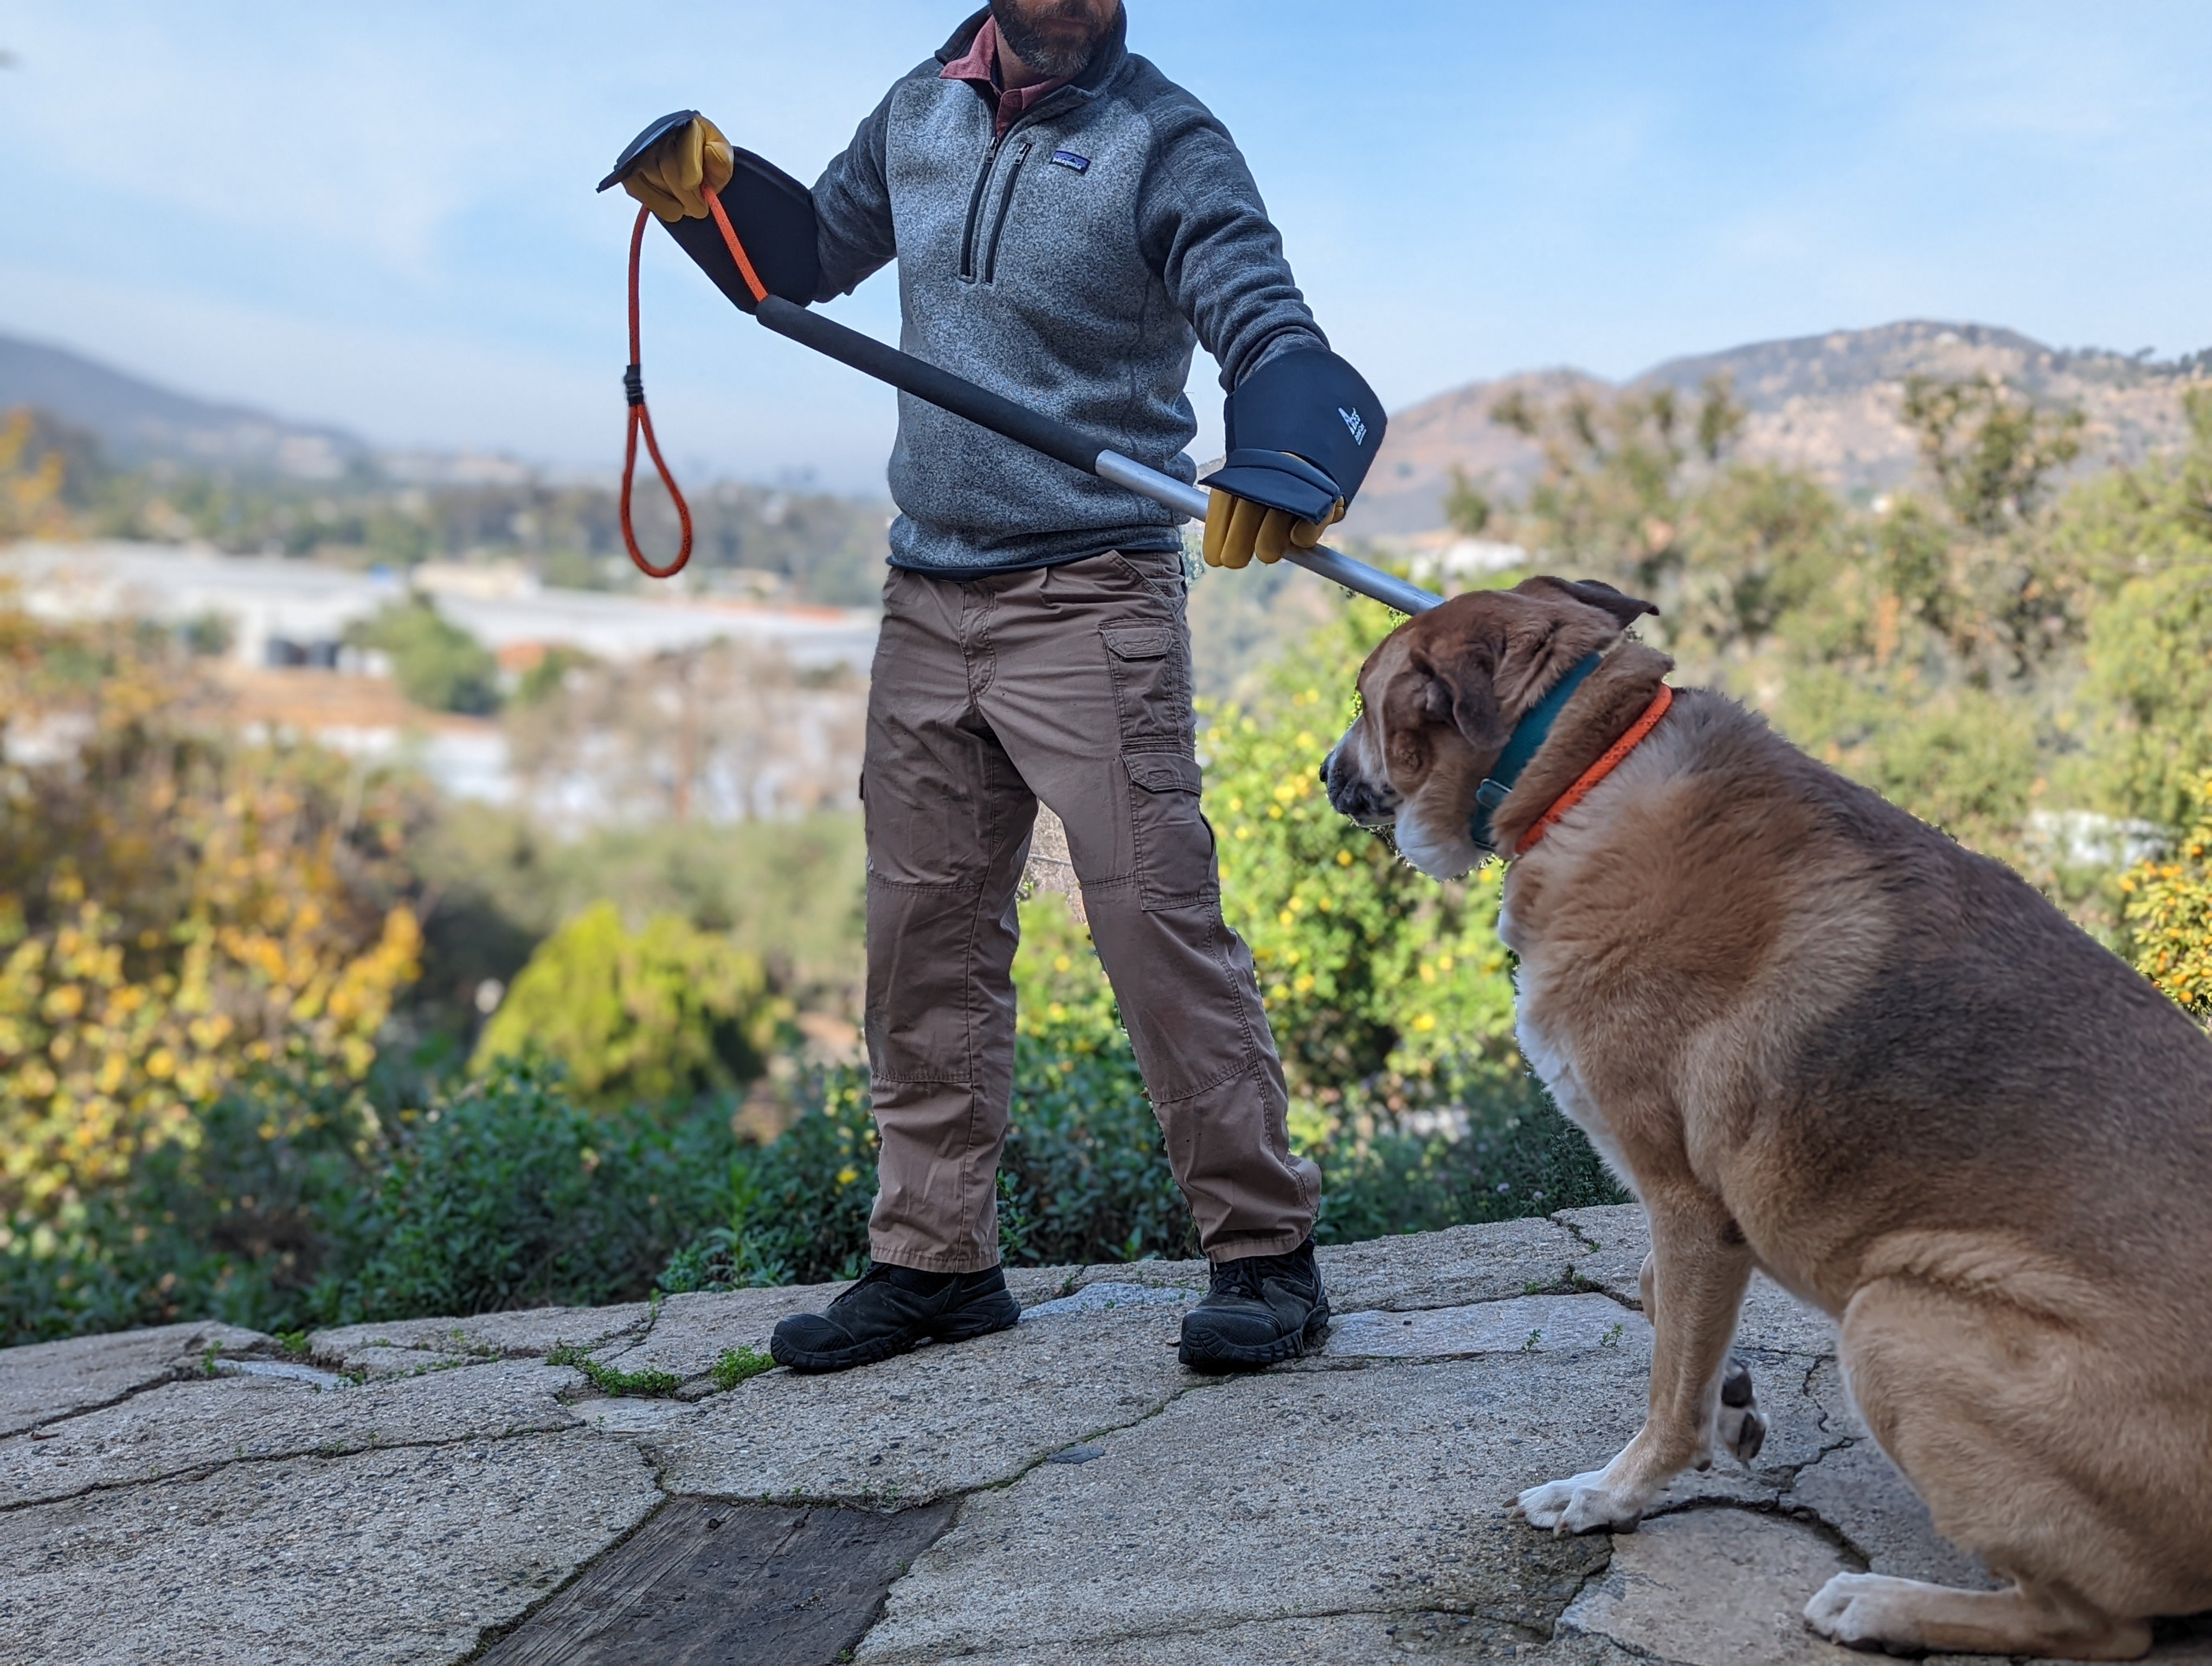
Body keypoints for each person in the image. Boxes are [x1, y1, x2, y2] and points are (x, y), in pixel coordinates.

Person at [620, 0, 1385, 1373]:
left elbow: (1261, 316)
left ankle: (1267, 1256)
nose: (1073, 7)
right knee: (922, 940)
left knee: (1155, 922)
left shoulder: (1165, 136)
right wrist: (706, 201)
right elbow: (799, 261)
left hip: (1092, 594)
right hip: (929, 593)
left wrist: (1287, 445)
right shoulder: (917, 109)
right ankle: (933, 1264)